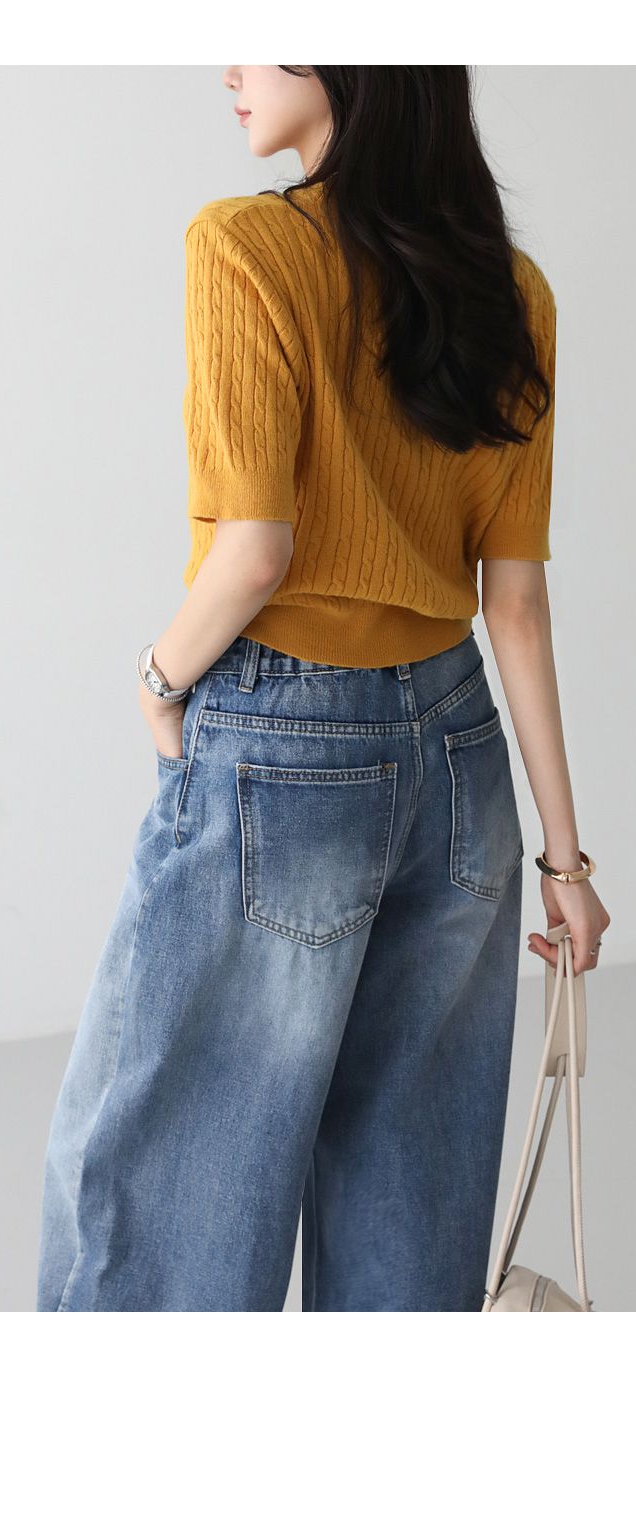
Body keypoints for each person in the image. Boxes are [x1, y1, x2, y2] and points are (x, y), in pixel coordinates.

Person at [36, 65, 611, 1312]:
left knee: (174, 1202)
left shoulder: (245, 247)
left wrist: (158, 675)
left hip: (282, 751)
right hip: (461, 761)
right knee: (410, 1212)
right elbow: (514, 602)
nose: (229, 68)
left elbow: (255, 551)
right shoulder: (510, 292)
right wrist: (565, 862)